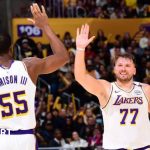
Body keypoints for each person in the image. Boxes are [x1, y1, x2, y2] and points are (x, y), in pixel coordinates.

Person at [0, 3, 69, 150]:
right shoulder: (29, 66)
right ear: (11, 49)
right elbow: (63, 57)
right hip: (26, 139)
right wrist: (45, 27)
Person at [74, 24, 150, 149]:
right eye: (120, 65)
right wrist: (80, 49)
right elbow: (81, 77)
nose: (123, 69)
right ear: (114, 70)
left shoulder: (146, 89)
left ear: (134, 70)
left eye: (127, 66)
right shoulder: (107, 88)